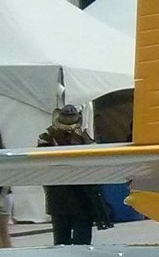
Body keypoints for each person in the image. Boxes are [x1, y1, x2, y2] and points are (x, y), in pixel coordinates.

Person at [38, 104, 109, 246]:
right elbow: (43, 164)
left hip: (82, 196)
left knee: (82, 239)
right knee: (61, 241)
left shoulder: (83, 137)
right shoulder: (47, 138)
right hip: (60, 195)